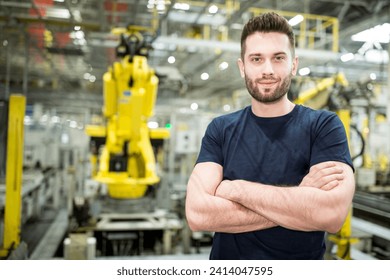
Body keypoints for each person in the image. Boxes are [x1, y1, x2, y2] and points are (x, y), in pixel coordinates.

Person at [185, 12, 355, 260]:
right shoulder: (221, 129)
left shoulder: (324, 126)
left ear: (293, 64)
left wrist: (236, 189)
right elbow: (198, 215)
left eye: (278, 58)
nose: (267, 70)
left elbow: (331, 215)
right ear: (242, 67)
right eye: (256, 59)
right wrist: (300, 198)